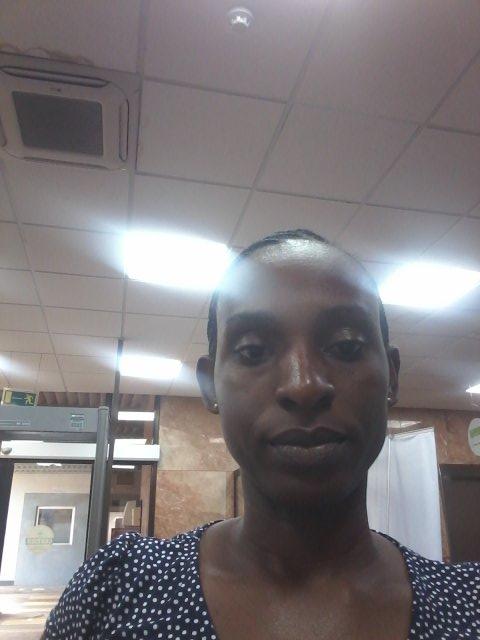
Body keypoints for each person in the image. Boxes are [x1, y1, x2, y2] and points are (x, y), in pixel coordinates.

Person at [43, 229, 480, 639]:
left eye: (346, 346)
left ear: (392, 377)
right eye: (252, 351)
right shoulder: (116, 593)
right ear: (211, 387)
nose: (304, 385)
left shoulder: (467, 605)